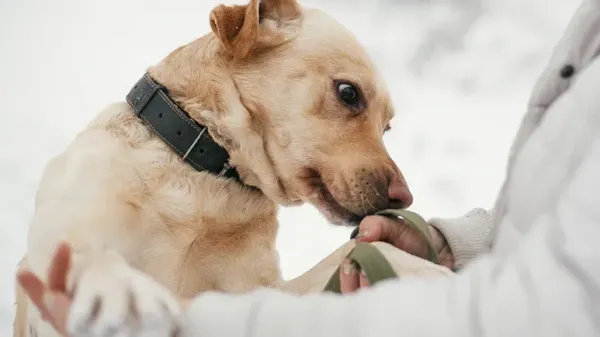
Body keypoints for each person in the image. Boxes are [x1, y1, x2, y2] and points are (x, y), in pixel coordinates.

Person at [17, 0, 600, 336]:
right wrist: (101, 283)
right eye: (349, 97)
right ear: (253, 34)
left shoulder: (253, 200)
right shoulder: (103, 158)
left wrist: (398, 261)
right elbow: (56, 274)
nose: (397, 186)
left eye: (380, 126)